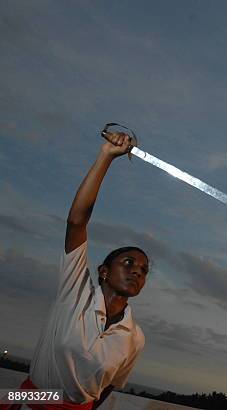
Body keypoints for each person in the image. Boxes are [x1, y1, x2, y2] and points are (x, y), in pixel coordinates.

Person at [3, 132, 147, 409]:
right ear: (103, 271)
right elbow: (77, 221)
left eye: (144, 269)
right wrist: (106, 156)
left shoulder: (135, 337)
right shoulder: (75, 293)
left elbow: (108, 388)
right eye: (128, 262)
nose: (137, 271)